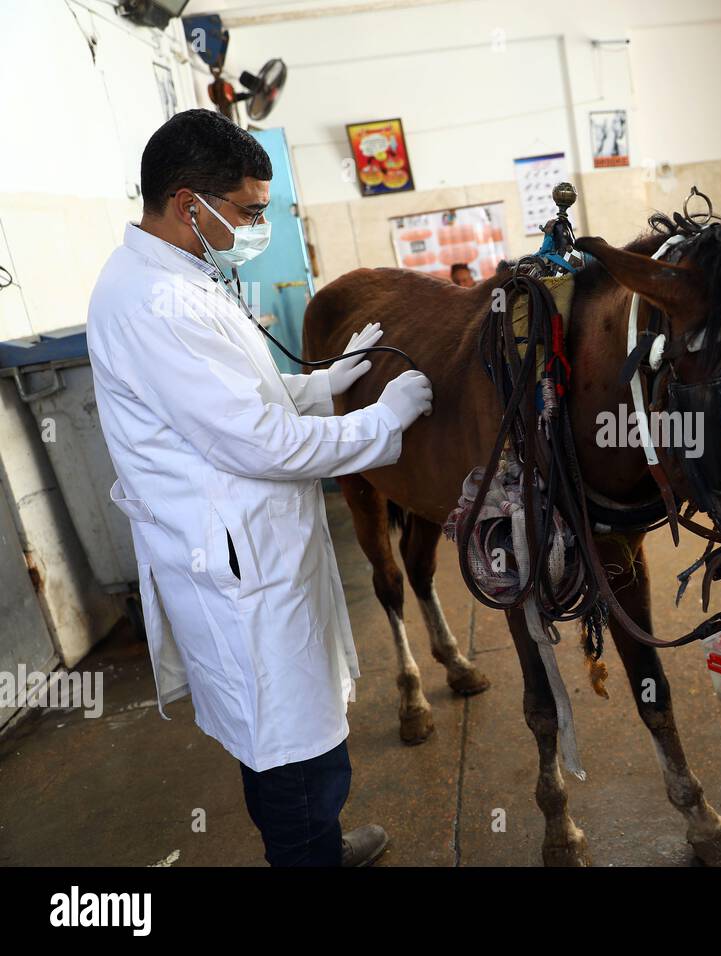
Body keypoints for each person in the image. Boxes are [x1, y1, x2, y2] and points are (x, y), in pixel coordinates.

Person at [86, 109, 433, 867]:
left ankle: (318, 846)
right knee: (292, 750)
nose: (258, 226)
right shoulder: (155, 303)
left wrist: (321, 385)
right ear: (189, 205)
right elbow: (259, 441)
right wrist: (382, 420)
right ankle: (308, 857)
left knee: (295, 735)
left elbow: (238, 397)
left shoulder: (181, 277)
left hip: (251, 546)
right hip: (238, 567)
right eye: (249, 212)